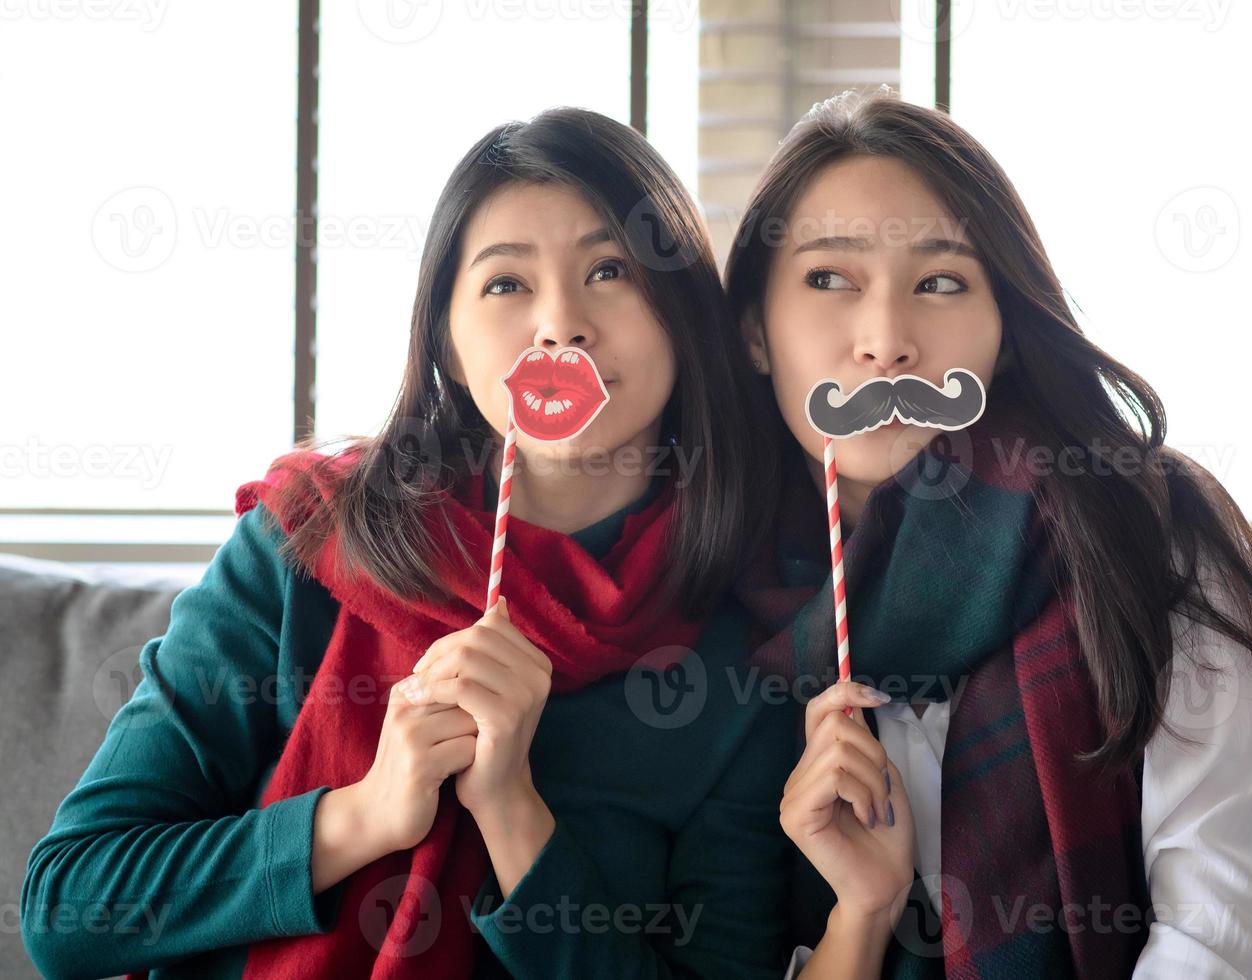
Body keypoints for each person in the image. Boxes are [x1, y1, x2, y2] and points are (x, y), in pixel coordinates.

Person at [22, 107, 796, 979]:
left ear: (682, 316)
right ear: (450, 347)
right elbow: (66, 907)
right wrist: (366, 814)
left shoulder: (742, 652)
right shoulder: (304, 543)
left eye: (609, 269)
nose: (561, 325)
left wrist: (513, 816)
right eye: (506, 284)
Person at [725, 90, 1252, 980]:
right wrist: (863, 910)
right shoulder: (720, 600)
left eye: (940, 283)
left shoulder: (1146, 539)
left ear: (1004, 334)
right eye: (829, 279)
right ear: (754, 333)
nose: (887, 342)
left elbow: (1224, 943)